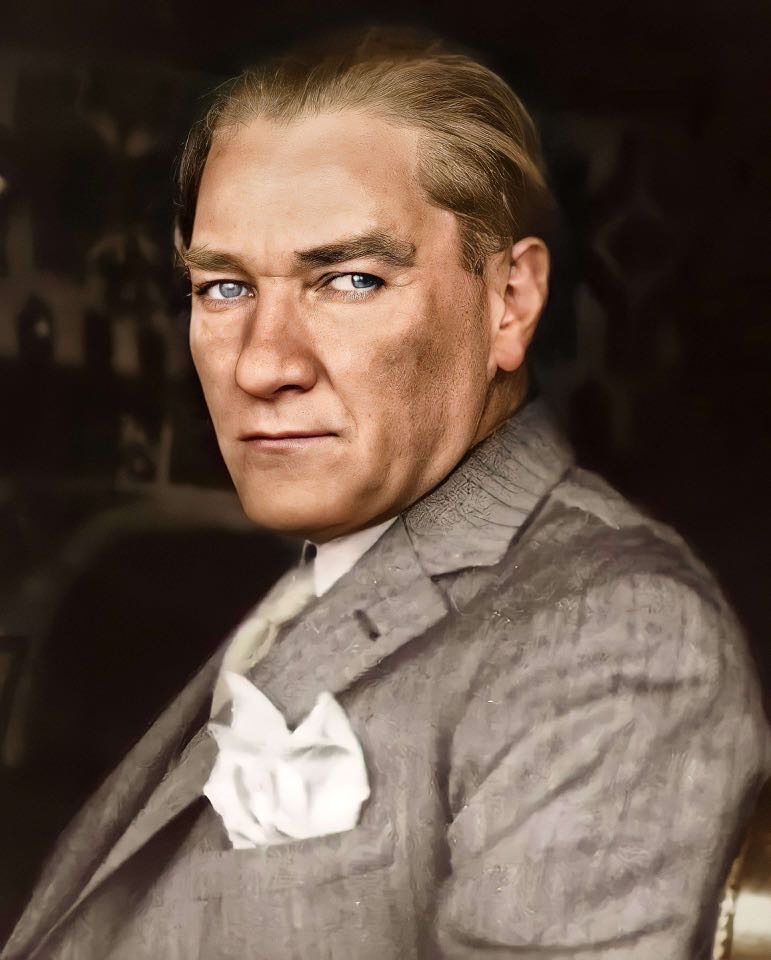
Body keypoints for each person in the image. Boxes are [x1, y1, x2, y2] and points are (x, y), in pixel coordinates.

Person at [4, 29, 770, 960]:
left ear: (510, 301)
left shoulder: (614, 631)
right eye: (224, 287)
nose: (262, 365)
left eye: (350, 279)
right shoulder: (320, 568)